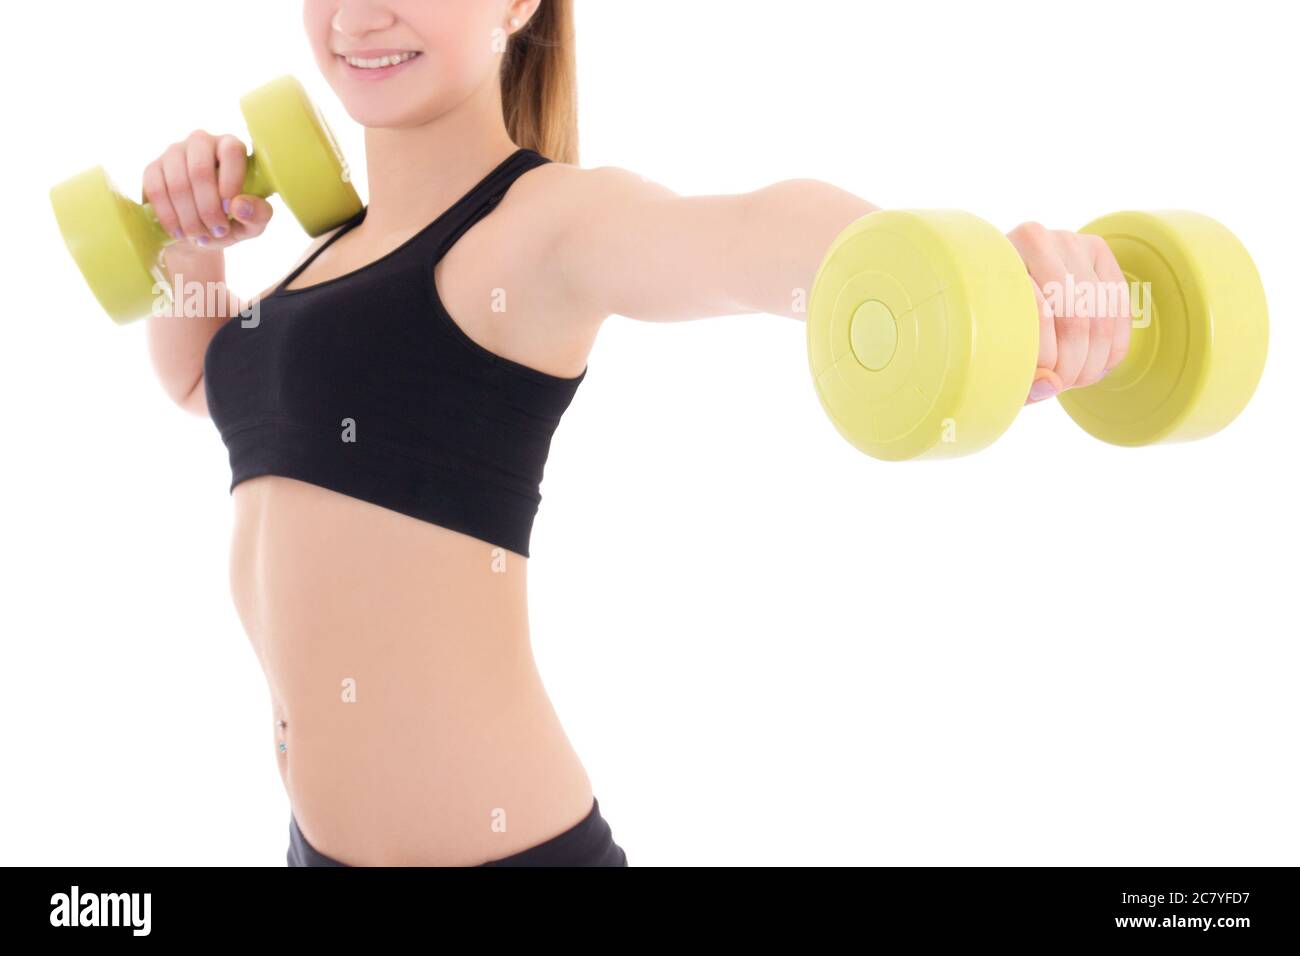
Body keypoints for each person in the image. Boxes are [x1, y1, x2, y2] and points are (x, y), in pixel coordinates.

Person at [143, 0, 1130, 866]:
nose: (359, 16)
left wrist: (965, 277)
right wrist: (190, 237)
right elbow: (205, 379)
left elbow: (749, 234)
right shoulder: (322, 260)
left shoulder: (542, 226)